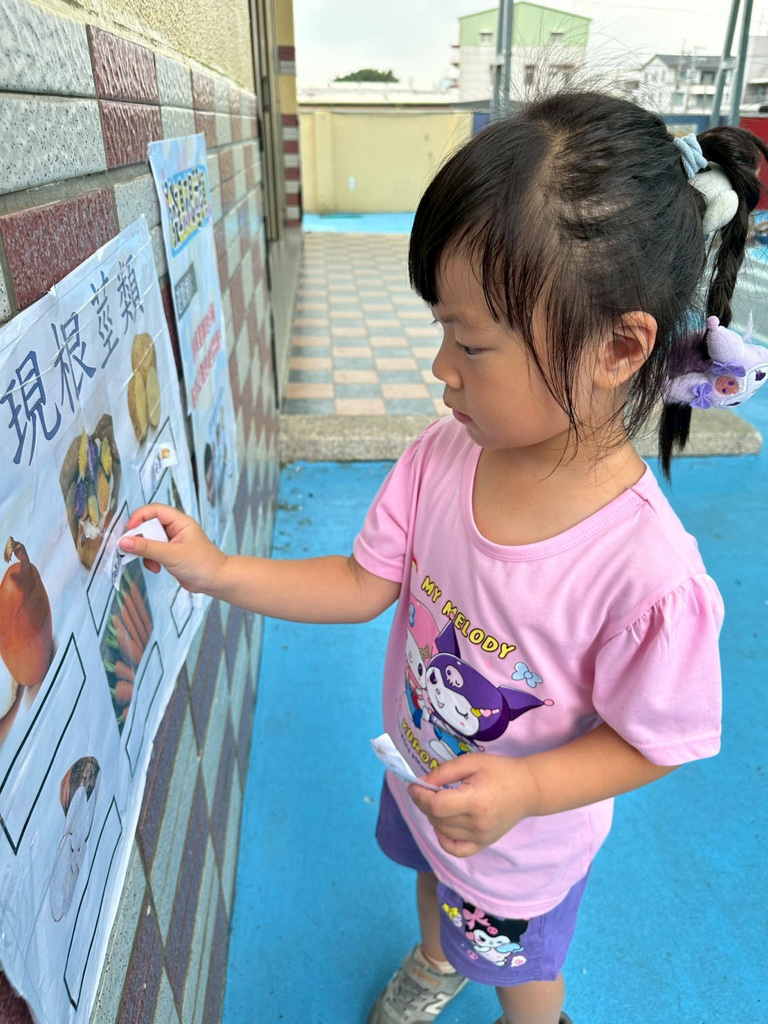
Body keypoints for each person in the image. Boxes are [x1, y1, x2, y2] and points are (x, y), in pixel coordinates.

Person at [119, 93, 768, 1024]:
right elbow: (361, 583)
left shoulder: (648, 573)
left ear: (617, 348)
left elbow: (657, 740)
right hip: (424, 775)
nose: (442, 368)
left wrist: (529, 787)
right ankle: (436, 957)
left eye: (470, 342)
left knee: (520, 971)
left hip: (522, 844)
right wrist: (218, 570)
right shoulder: (441, 456)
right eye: (441, 332)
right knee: (431, 880)